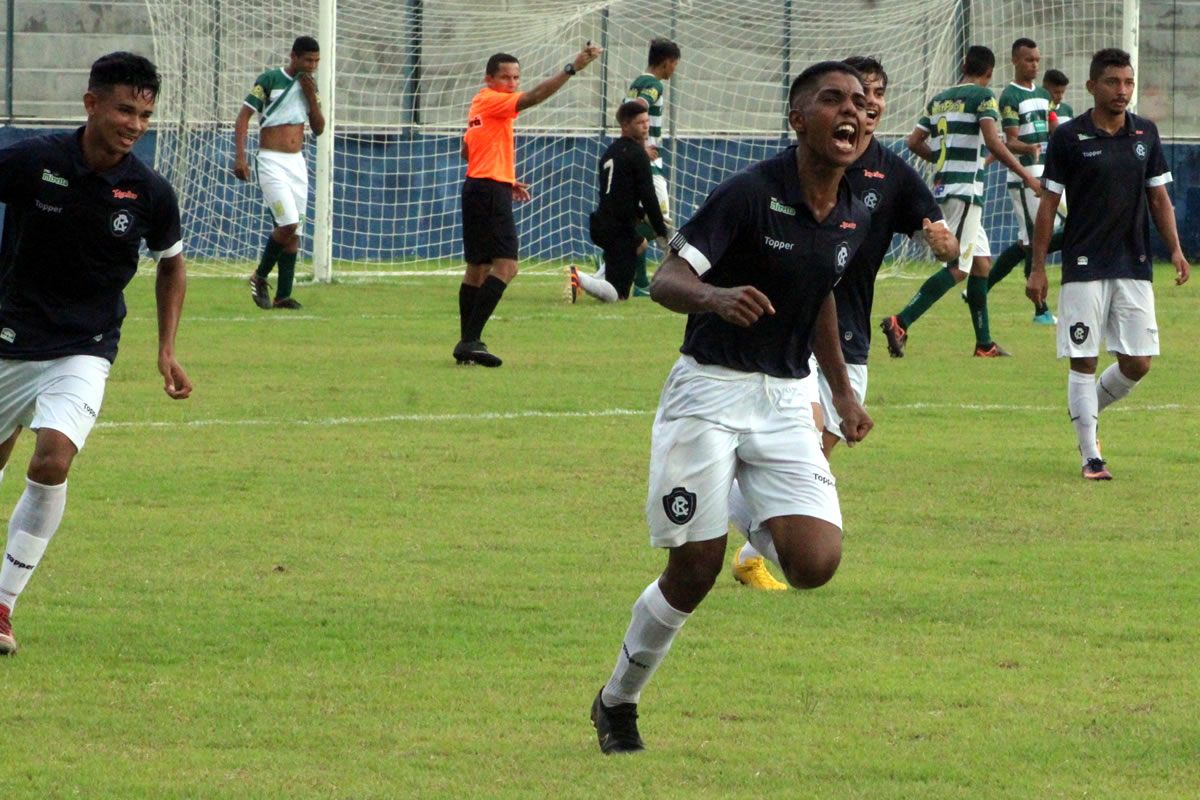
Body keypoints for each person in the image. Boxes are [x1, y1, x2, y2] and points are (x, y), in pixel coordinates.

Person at [590, 61, 873, 755]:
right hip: (709, 392)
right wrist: (715, 297)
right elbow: (666, 279)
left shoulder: (852, 210)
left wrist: (840, 391)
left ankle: (740, 496)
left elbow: (821, 293)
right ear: (797, 118)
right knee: (695, 570)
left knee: (815, 563)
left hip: (786, 398)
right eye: (833, 99)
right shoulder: (748, 193)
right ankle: (617, 701)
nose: (852, 111)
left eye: (861, 103)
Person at [728, 56, 958, 591]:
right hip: (791, 328)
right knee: (802, 441)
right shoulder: (796, 167)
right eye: (856, 94)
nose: (867, 103)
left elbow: (940, 236)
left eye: (874, 94)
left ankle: (744, 540)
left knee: (820, 452)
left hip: (849, 333)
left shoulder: (893, 173)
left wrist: (942, 241)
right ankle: (735, 518)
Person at [0, 52, 191, 655]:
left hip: (84, 348)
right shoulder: (35, 161)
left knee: (53, 460)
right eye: (125, 110)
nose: (135, 125)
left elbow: (172, 264)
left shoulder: (150, 192)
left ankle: (2, 606)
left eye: (145, 115)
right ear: (91, 104)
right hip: (9, 338)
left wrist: (166, 348)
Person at [1026, 47, 1189, 480]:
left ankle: (1086, 413)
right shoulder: (1069, 137)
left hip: (1133, 263)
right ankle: (1090, 457)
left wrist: (1175, 249)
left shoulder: (1145, 133)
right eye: (1113, 82)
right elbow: (1048, 204)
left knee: (1139, 362)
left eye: (1128, 82)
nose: (1122, 90)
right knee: (1084, 359)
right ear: (1092, 86)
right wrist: (1038, 267)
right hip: (1083, 265)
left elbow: (1159, 198)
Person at [879, 45, 1039, 358]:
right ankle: (901, 321)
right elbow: (993, 141)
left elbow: (914, 142)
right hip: (965, 192)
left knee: (981, 264)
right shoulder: (983, 97)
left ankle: (984, 344)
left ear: (964, 66)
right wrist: (1028, 176)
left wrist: (942, 160)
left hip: (943, 187)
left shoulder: (939, 99)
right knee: (958, 267)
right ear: (989, 72)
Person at [454, 43, 602, 367]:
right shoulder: (494, 100)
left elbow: (467, 151)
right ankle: (470, 341)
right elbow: (534, 97)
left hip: (479, 185)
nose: (512, 83)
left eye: (516, 78)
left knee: (478, 268)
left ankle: (467, 344)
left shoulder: (480, 103)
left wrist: (504, 175)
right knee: (507, 266)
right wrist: (572, 68)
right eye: (505, 77)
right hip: (489, 191)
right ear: (489, 79)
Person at [233, 36, 325, 311]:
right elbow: (243, 116)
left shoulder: (310, 86)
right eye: (308, 60)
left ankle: (283, 295)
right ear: (293, 57)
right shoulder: (270, 80)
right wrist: (240, 156)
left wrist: (311, 96)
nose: (312, 66)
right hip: (271, 160)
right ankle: (259, 276)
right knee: (287, 223)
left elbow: (319, 128)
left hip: (296, 163)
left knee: (295, 231)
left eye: (316, 61)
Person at [571, 100, 668, 302]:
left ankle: (595, 277)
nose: (646, 126)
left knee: (640, 244)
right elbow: (648, 196)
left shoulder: (611, 152)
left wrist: (641, 215)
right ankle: (580, 277)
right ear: (625, 125)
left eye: (647, 121)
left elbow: (618, 193)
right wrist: (661, 231)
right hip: (618, 230)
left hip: (604, 223)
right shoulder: (638, 155)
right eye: (640, 122)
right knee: (617, 295)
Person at [991, 38, 1058, 324]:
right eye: (1029, 60)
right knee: (1033, 240)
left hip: (1049, 176)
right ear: (1015, 61)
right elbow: (1010, 141)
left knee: (1035, 239)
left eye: (1037, 60)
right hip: (1025, 178)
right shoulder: (1010, 97)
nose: (1034, 65)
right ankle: (1041, 310)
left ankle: (979, 288)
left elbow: (1054, 127)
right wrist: (1029, 148)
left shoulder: (1043, 95)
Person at [619, 37, 681, 296]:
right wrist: (641, 147)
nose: (674, 69)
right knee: (660, 218)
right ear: (667, 62)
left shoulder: (637, 82)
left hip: (638, 157)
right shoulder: (653, 85)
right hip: (648, 162)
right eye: (675, 64)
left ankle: (641, 281)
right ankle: (613, 253)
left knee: (646, 217)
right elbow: (639, 107)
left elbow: (625, 110)